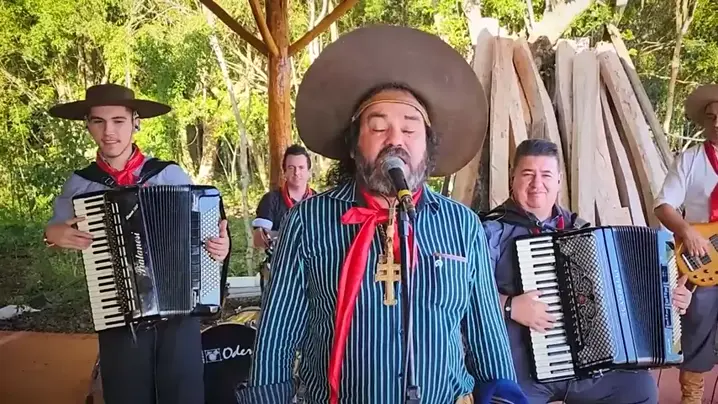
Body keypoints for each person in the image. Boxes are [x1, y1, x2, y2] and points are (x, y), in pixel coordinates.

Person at [236, 25, 526, 404]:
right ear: (354, 145)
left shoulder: (462, 226)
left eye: (410, 129)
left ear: (428, 147)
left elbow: (487, 335)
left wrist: (503, 396)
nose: (395, 139)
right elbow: (277, 333)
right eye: (378, 127)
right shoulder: (308, 221)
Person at [43, 83, 230, 404]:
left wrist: (220, 249)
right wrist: (52, 234)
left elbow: (206, 239)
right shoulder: (81, 184)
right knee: (126, 395)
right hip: (118, 311)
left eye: (118, 121)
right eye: (98, 121)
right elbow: (57, 232)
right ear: (87, 125)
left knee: (183, 395)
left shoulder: (169, 175)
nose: (109, 132)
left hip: (179, 314)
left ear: (135, 122)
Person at [482, 138, 693, 404]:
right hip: (519, 368)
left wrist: (671, 300)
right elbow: (463, 292)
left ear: (558, 180)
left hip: (584, 368)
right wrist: (509, 306)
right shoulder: (490, 231)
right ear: (513, 178)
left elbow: (618, 297)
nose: (537, 183)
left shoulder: (581, 231)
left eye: (546, 174)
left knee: (640, 390)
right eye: (527, 174)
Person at [654, 83, 718, 404]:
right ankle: (691, 398)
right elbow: (663, 205)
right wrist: (686, 230)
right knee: (697, 324)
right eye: (711, 117)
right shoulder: (690, 160)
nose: (717, 123)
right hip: (702, 261)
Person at [252, 144, 315, 249]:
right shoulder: (270, 200)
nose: (296, 172)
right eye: (291, 168)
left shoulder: (319, 200)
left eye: (301, 167)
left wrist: (275, 235)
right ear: (284, 172)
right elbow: (258, 240)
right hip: (279, 258)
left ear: (308, 172)